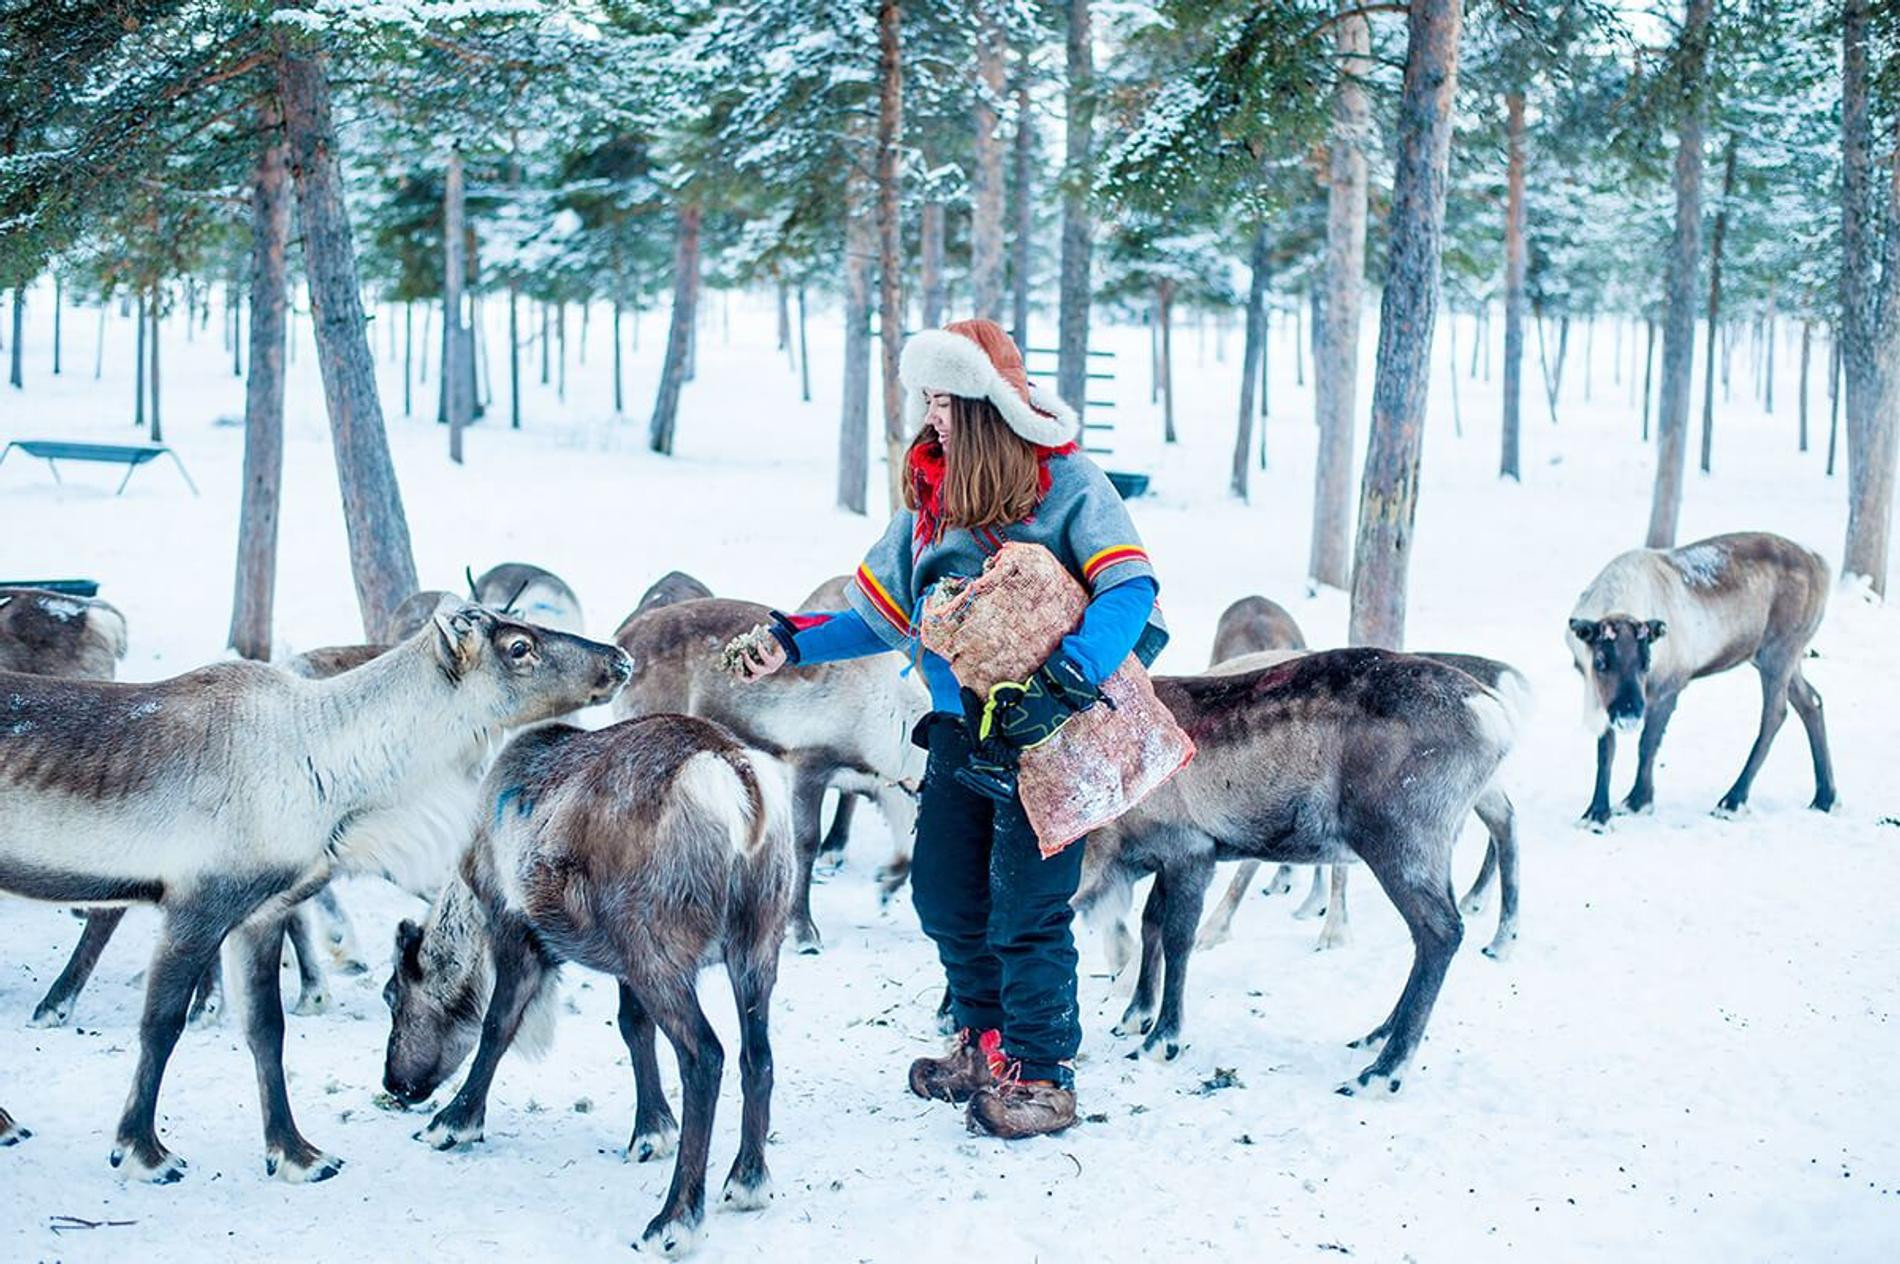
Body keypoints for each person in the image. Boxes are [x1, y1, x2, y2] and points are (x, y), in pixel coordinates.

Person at [732, 318, 1166, 1139]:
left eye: (946, 401)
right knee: (942, 892)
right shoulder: (933, 504)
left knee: (1026, 907)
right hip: (964, 730)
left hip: (1052, 730)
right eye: (926, 401)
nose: (932, 419)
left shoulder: (1067, 482)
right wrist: (792, 639)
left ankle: (1042, 1073)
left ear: (988, 403)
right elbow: (879, 614)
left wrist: (1069, 676)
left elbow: (1129, 588)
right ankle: (984, 1041)